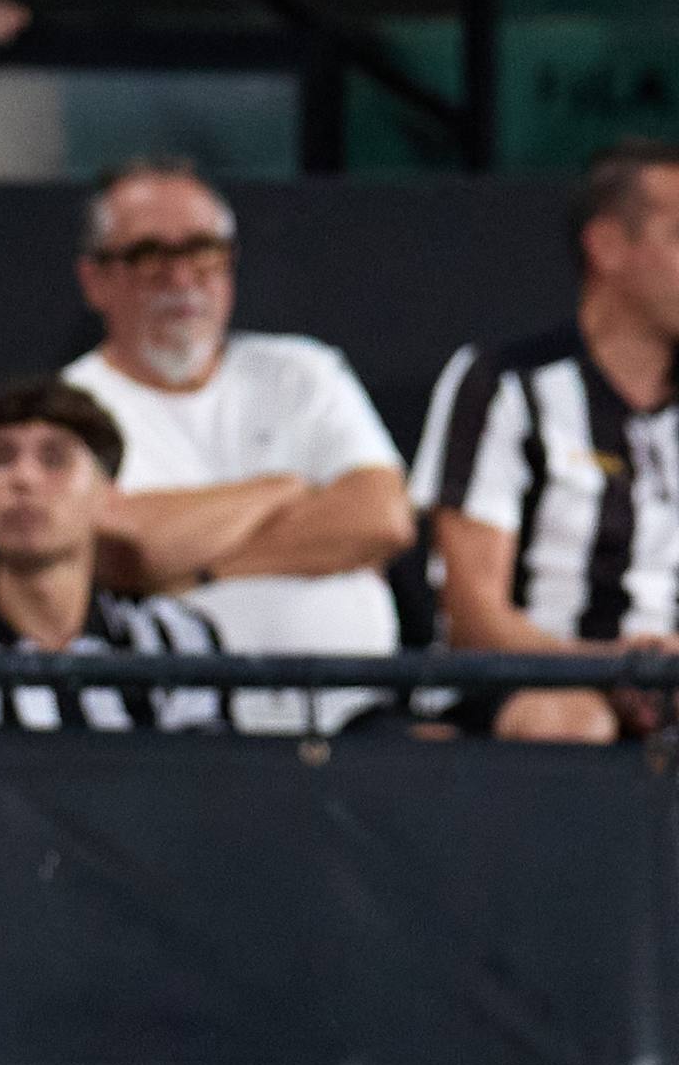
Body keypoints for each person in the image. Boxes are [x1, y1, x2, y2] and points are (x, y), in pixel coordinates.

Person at [61, 160, 414, 734]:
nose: (182, 280)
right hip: (176, 734)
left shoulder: (303, 372)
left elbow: (383, 520)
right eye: (150, 256)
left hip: (358, 720)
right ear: (96, 280)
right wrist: (282, 489)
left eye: (204, 252)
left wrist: (194, 571)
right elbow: (125, 552)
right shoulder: (71, 404)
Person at [410, 142, 679, 743]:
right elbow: (474, 614)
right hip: (520, 688)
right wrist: (613, 669)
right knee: (571, 722)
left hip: (667, 687)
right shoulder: (507, 384)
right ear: (608, 246)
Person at [0, 380, 227, 733]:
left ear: (108, 501)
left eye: (54, 459)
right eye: (1, 458)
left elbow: (201, 781)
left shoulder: (173, 640)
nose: (23, 478)